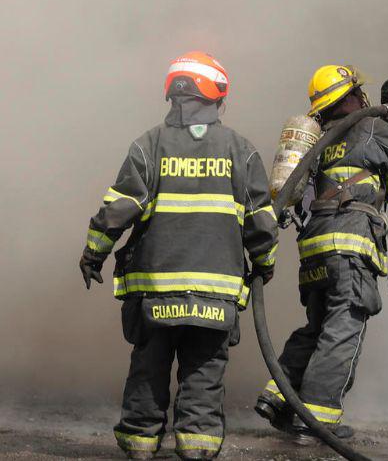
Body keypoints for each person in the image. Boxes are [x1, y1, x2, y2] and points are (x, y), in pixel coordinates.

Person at [80, 51, 278, 461]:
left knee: (148, 369)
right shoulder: (240, 151)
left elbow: (118, 208)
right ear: (216, 94)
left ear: (173, 92)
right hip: (215, 295)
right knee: (204, 373)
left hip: (154, 291)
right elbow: (261, 221)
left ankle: (139, 444)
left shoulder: (148, 145)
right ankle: (197, 447)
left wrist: (93, 253)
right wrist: (265, 262)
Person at [255, 65, 388, 443]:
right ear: (352, 95)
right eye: (358, 91)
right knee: (342, 329)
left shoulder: (321, 142)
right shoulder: (367, 128)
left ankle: (278, 397)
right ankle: (317, 420)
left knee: (319, 326)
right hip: (349, 245)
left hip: (315, 249)